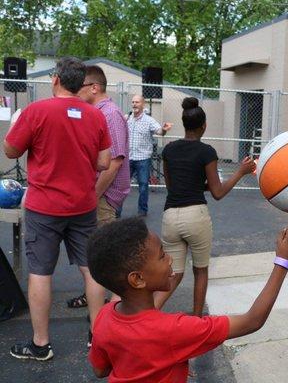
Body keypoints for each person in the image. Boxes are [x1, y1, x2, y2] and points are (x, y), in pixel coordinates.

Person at [87, 215, 288, 382]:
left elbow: (100, 369)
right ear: (138, 279)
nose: (170, 259)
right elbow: (252, 320)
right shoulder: (173, 330)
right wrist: (283, 260)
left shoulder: (105, 315)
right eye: (162, 256)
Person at [4, 57, 112, 360]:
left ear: (55, 80)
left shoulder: (36, 111)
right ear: (81, 84)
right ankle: (98, 337)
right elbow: (104, 162)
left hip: (44, 208)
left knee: (40, 272)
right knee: (91, 270)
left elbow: (11, 149)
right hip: (83, 205)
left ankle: (40, 345)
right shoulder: (95, 115)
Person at [153, 97, 256, 315]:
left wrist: (196, 184)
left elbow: (174, 187)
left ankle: (146, 315)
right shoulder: (206, 152)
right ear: (204, 126)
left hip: (170, 216)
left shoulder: (169, 150)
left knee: (175, 273)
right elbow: (217, 192)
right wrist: (240, 172)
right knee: (200, 271)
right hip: (195, 216)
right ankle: (197, 320)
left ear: (184, 124)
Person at [66, 65, 131, 312]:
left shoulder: (110, 114)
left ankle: (114, 311)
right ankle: (94, 297)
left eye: (79, 87)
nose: (75, 91)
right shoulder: (99, 112)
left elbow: (114, 162)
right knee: (95, 253)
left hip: (104, 197)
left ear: (94, 87)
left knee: (108, 254)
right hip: (100, 195)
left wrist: (93, 196)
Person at [127, 94, 172, 216]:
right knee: (122, 186)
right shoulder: (127, 118)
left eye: (137, 102)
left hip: (143, 159)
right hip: (129, 158)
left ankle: (142, 211)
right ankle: (116, 211)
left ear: (143, 104)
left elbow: (159, 132)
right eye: (133, 102)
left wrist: (164, 129)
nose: (134, 104)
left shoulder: (149, 120)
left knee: (143, 186)